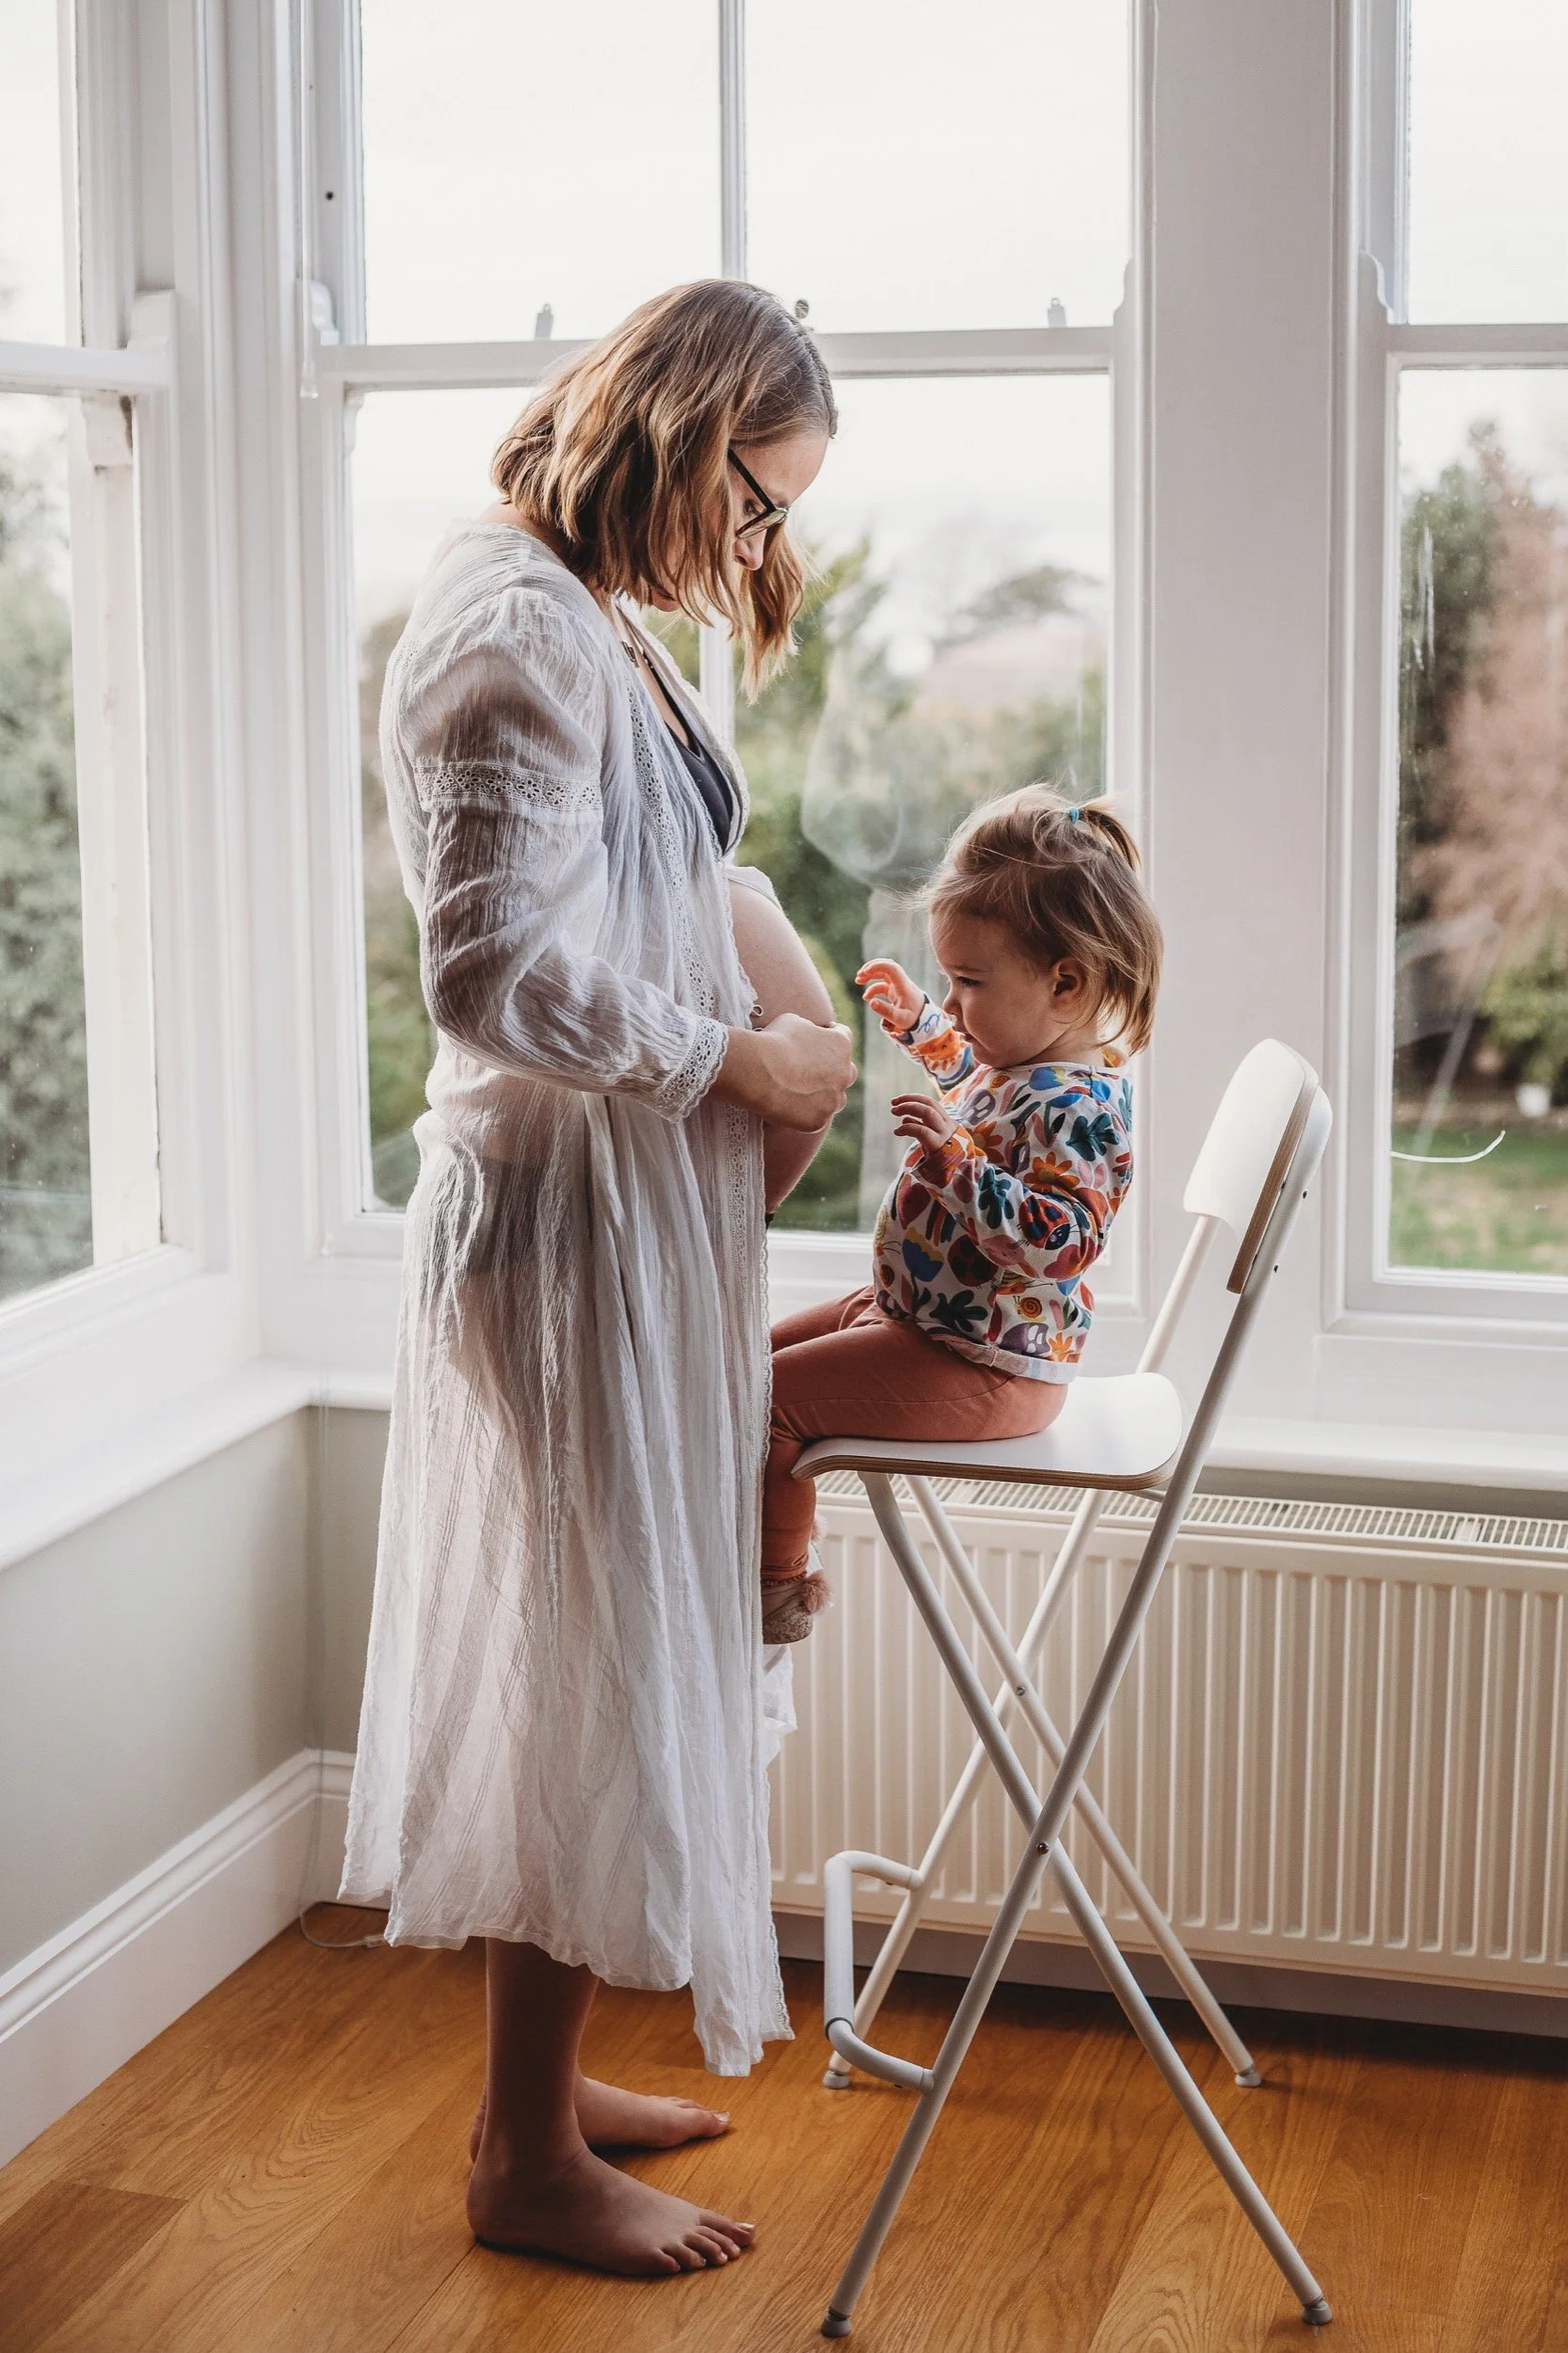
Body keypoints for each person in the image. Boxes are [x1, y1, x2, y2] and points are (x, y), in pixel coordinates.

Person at [338, 280, 856, 2278]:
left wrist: (776, 982)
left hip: (621, 1217)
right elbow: (492, 975)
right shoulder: (508, 631)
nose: (755, 546)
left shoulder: (588, 612)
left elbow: (640, 880)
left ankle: (539, 2092)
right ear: (676, 425)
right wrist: (747, 1055)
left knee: (614, 1647)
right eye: (753, 497)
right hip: (556, 1233)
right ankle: (522, 2159)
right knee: (590, 1669)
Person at [760, 787, 1161, 1638]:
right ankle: (761, 1542)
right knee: (736, 1366)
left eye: (969, 981)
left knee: (764, 1403)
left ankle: (775, 1585)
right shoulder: (1022, 1066)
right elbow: (973, 1084)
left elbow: (1063, 1245)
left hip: (993, 1364)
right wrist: (926, 1026)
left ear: (1066, 983)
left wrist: (957, 1162)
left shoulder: (1085, 1110)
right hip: (927, 1321)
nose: (957, 997)